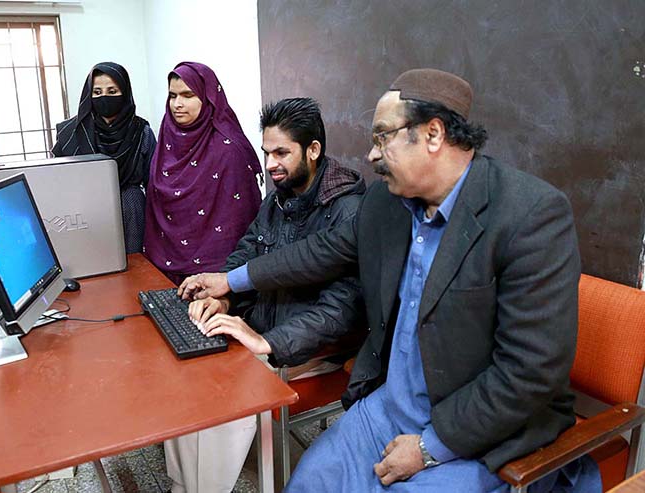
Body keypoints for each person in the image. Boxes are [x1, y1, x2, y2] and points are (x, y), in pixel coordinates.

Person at [179, 69, 601, 492]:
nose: (371, 155)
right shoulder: (385, 202)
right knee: (308, 483)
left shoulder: (531, 215)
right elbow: (319, 252)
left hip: (479, 429)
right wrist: (229, 282)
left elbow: (529, 372)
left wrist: (430, 446)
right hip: (387, 407)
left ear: (433, 134)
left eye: (383, 137)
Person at [164, 98, 366, 493]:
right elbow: (246, 254)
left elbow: (340, 311)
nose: (270, 163)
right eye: (266, 153)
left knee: (224, 398)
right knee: (185, 377)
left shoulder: (348, 212)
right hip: (261, 331)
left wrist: (268, 344)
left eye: (281, 153)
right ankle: (184, 485)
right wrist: (222, 299)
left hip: (313, 348)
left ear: (313, 150)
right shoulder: (279, 197)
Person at [143, 62, 261, 285]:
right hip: (163, 272)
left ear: (208, 97)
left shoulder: (229, 150)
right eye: (172, 96)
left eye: (188, 95)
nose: (177, 104)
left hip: (218, 279)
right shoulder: (167, 140)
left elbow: (241, 223)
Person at [52, 61, 155, 254]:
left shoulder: (141, 131)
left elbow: (154, 184)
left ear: (125, 93)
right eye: (97, 92)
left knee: (134, 269)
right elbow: (57, 180)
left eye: (112, 91)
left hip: (130, 210)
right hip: (85, 213)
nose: (104, 97)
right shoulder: (70, 133)